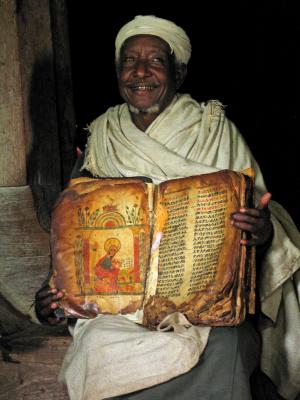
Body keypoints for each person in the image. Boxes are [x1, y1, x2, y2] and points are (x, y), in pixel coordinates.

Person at [35, 15, 300, 400]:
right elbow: (76, 235)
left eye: (155, 61)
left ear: (178, 71)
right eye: (129, 60)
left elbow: (262, 210)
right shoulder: (100, 139)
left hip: (205, 306)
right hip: (119, 313)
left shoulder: (214, 130)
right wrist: (54, 296)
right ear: (117, 70)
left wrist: (262, 231)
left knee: (224, 346)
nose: (140, 71)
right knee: (98, 349)